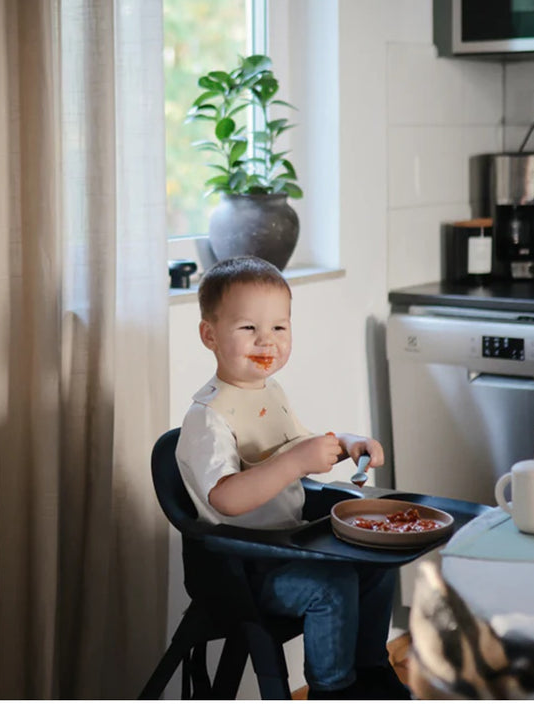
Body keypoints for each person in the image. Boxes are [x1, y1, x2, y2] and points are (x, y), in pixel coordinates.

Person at [175, 255, 411, 700]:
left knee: (376, 564)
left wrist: (347, 442)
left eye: (279, 328)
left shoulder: (269, 393)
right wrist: (293, 463)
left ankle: (370, 670)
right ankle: (334, 689)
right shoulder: (206, 419)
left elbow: (299, 448)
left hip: (288, 545)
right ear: (210, 335)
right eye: (248, 328)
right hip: (243, 568)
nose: (267, 340)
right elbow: (225, 498)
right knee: (334, 585)